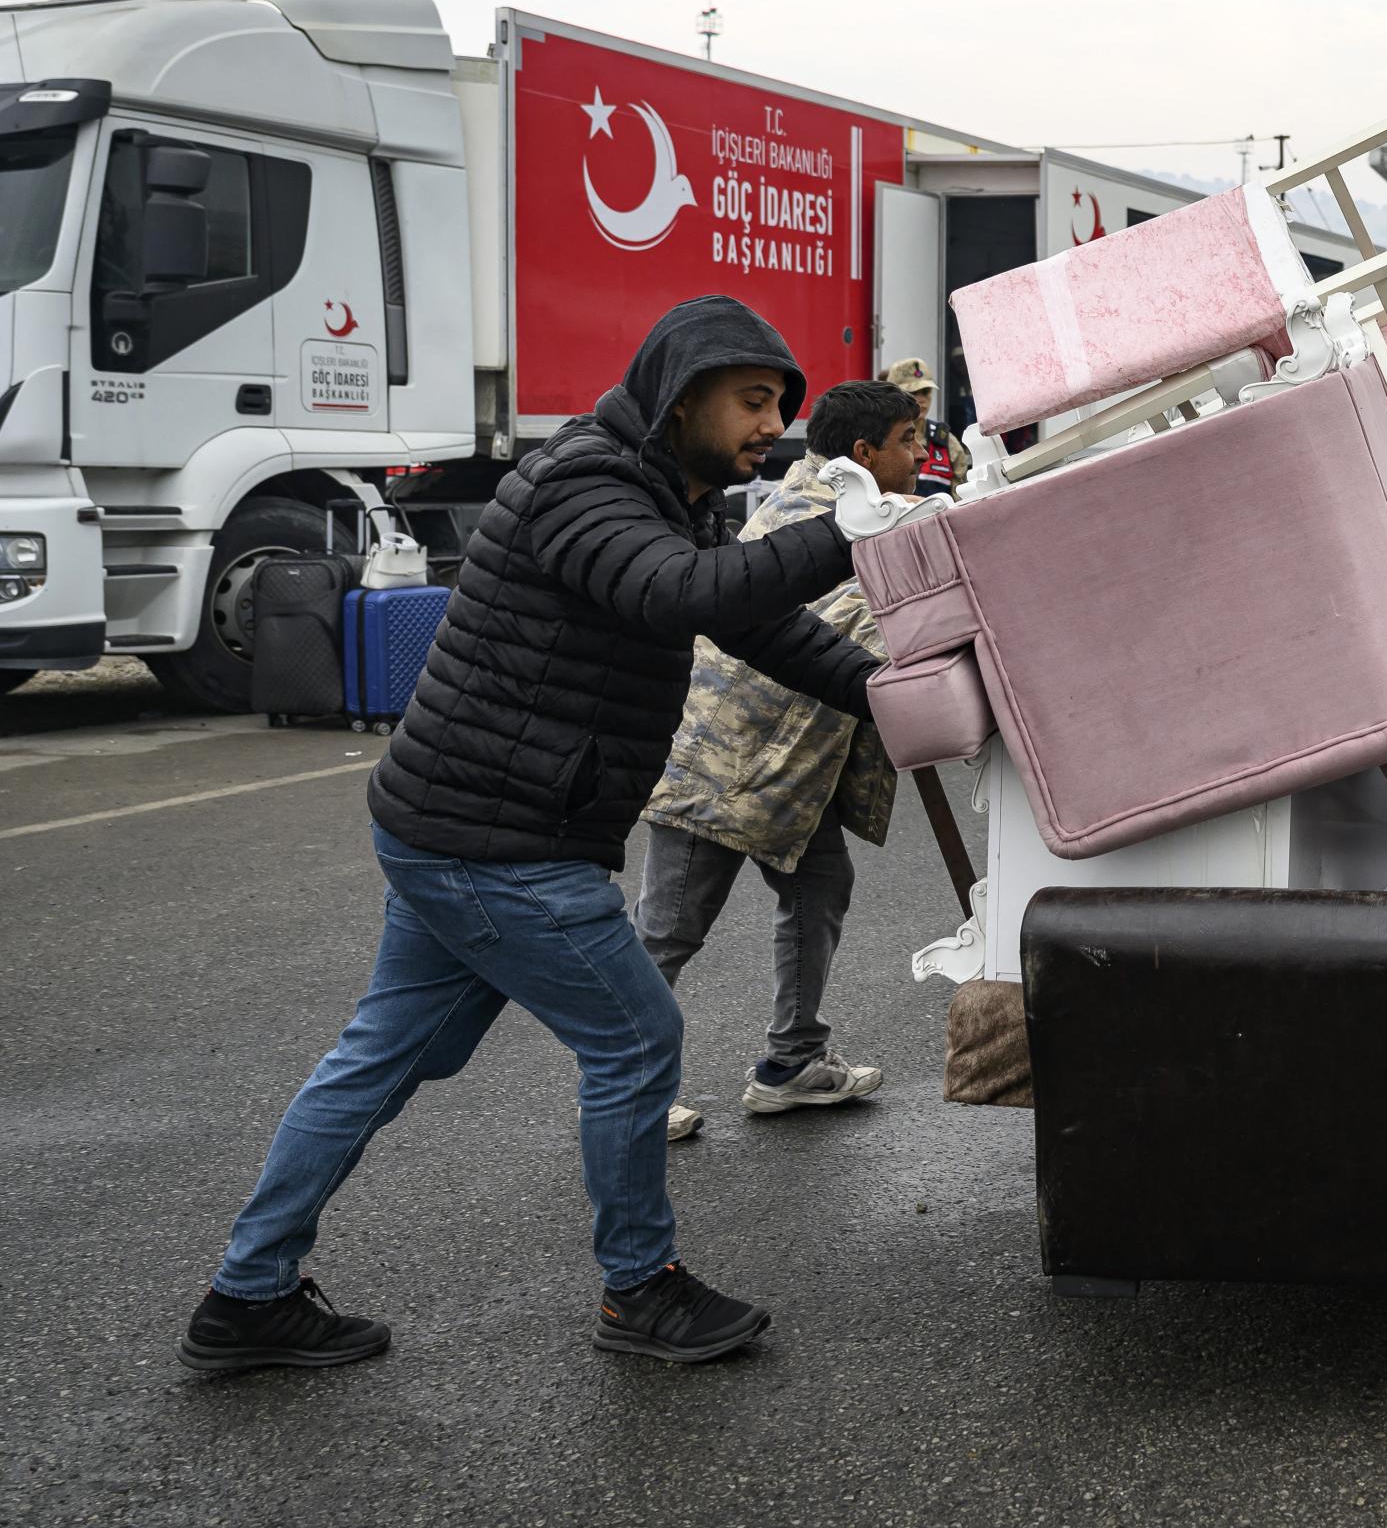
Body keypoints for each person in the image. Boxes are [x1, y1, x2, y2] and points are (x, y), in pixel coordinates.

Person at [182, 297, 900, 1375]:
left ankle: (246, 1296)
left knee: (382, 1058)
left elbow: (751, 623)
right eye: (753, 401)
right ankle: (640, 1291)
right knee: (638, 1037)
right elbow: (675, 595)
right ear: (680, 393)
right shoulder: (584, 483)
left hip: (458, 823)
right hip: (498, 838)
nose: (771, 426)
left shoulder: (669, 492)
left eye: (779, 407)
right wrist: (846, 532)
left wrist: (893, 693)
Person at [639, 378, 926, 1144]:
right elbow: (863, 638)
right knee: (669, 931)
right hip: (724, 762)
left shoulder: (835, 507)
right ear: (863, 454)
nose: (921, 451)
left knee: (820, 885)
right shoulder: (825, 523)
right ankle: (626, 1088)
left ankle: (792, 1061)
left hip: (787, 768)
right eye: (907, 439)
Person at [883, 356, 975, 498]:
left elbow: (960, 499)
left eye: (926, 392)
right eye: (912, 393)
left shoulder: (947, 442)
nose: (921, 399)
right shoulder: (879, 438)